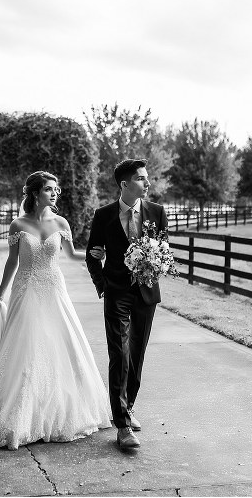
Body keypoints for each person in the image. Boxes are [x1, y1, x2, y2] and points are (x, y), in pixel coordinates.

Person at [0, 171, 111, 449]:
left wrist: (96, 255)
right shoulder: (17, 225)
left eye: (56, 190)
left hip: (54, 290)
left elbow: (72, 255)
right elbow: (12, 262)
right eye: (49, 189)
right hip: (25, 291)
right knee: (25, 351)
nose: (54, 194)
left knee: (61, 346)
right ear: (36, 193)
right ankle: (19, 412)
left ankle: (58, 410)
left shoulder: (61, 222)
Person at [85, 159, 168, 449]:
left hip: (146, 294)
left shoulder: (157, 212)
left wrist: (154, 264)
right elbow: (91, 255)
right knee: (119, 353)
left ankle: (128, 406)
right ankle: (121, 426)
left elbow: (163, 250)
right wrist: (103, 285)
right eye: (142, 179)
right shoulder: (104, 215)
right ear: (125, 184)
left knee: (136, 353)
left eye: (147, 178)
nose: (147, 183)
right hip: (117, 292)